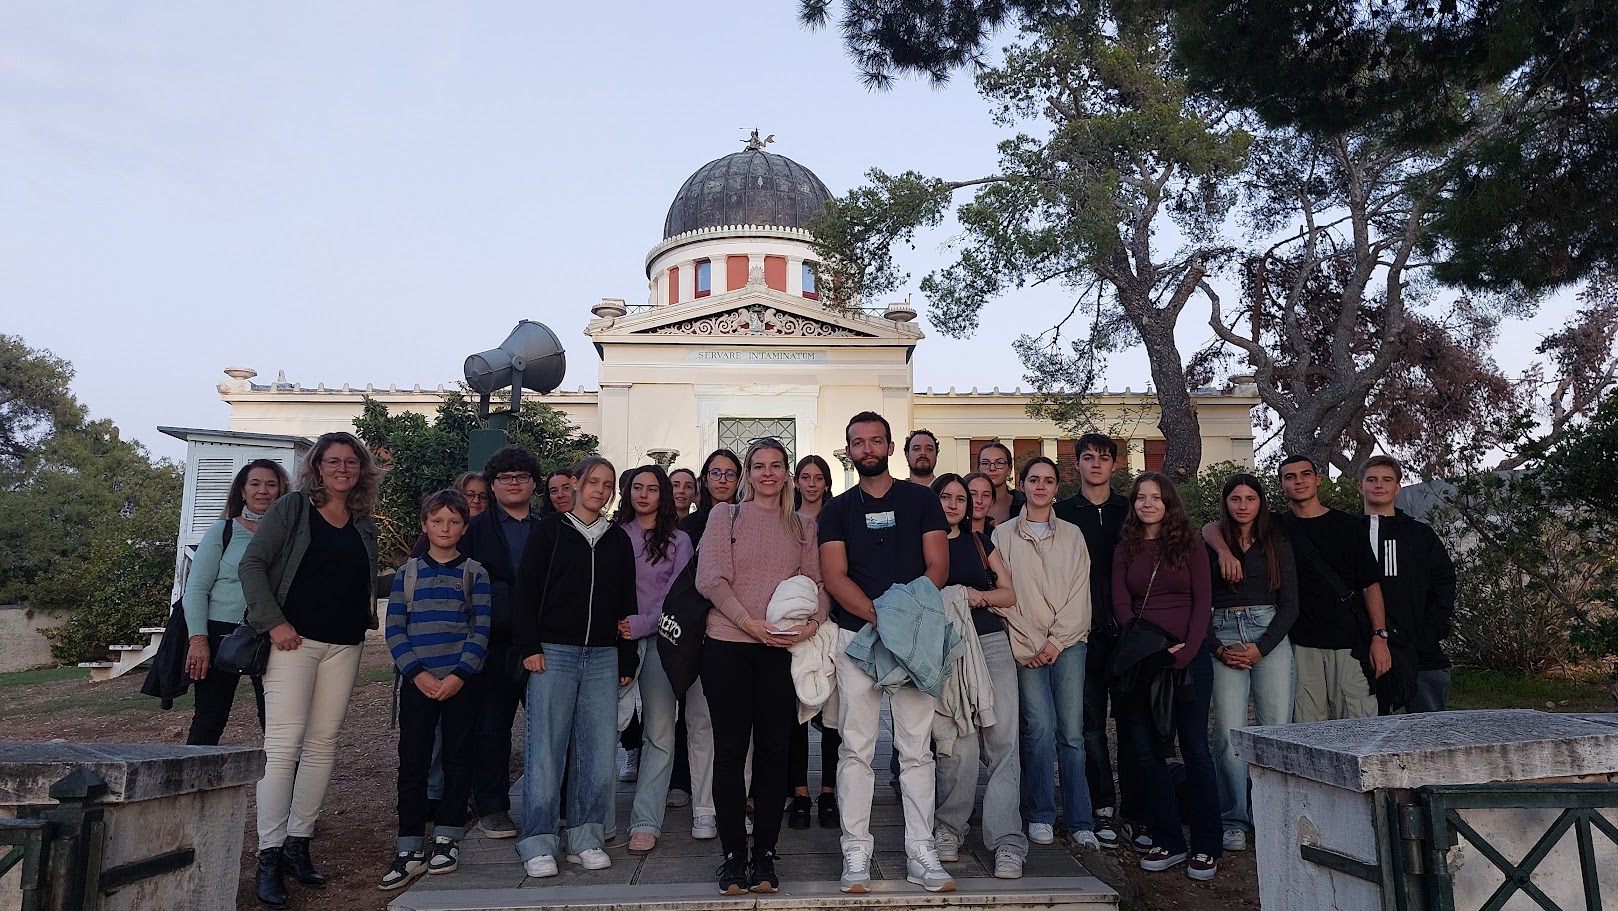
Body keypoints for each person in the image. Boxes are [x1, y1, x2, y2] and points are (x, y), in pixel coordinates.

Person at [239, 432, 382, 908]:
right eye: (333, 461)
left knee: (323, 745)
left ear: (361, 470)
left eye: (351, 462)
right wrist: (274, 623)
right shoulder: (293, 508)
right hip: (293, 642)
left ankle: (298, 846)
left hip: (344, 644)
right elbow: (252, 565)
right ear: (317, 466)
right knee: (283, 747)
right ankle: (268, 854)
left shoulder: (363, 522)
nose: (342, 469)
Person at [818, 411, 954, 894]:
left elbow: (937, 566)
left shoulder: (921, 500)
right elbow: (834, 576)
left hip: (914, 638)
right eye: (858, 442)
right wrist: (880, 617)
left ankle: (921, 850)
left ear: (891, 447)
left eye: (876, 440)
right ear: (849, 451)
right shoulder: (836, 510)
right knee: (855, 748)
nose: (868, 449)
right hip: (856, 638)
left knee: (917, 749)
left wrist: (899, 618)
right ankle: (855, 849)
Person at [697, 438, 827, 894]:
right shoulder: (725, 515)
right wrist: (748, 623)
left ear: (786, 473)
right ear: (748, 474)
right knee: (731, 753)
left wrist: (813, 624)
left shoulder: (803, 525)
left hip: (780, 650)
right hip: (728, 645)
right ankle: (734, 855)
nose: (767, 473)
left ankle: (766, 854)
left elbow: (817, 584)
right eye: (758, 466)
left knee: (775, 753)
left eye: (775, 465)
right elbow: (711, 578)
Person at [513, 456, 638, 878]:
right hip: (554, 653)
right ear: (576, 484)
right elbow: (526, 591)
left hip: (602, 655)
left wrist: (626, 655)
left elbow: (626, 602)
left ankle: (586, 837)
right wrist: (530, 645)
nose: (600, 490)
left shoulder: (617, 539)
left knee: (598, 752)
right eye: (594, 482)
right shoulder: (549, 531)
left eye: (608, 485)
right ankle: (538, 842)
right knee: (546, 750)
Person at [1208, 455, 1390, 722]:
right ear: (1281, 485)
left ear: (1318, 479)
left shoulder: (1348, 526)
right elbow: (1212, 527)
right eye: (1290, 477)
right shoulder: (1275, 526)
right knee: (1306, 729)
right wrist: (1224, 552)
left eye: (1305, 474)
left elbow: (1369, 585)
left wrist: (1379, 636)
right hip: (1301, 643)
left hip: (1348, 642)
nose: (1299, 481)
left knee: (1357, 724)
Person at [378, 490, 493, 890]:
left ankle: (447, 837)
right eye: (437, 521)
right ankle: (409, 846)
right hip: (418, 683)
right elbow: (395, 629)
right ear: (425, 525)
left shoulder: (475, 573)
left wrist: (458, 675)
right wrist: (418, 674)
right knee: (413, 763)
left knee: (458, 760)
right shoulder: (407, 574)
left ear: (464, 527)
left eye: (454, 522)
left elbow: (481, 628)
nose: (445, 528)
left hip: (460, 683)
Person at [1112, 472, 1220, 881]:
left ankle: (1207, 844)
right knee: (1146, 751)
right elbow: (1122, 603)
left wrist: (1186, 652)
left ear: (1168, 503)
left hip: (1189, 660)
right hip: (1144, 662)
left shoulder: (1191, 545)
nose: (1148, 504)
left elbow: (1202, 602)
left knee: (1194, 749)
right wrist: (1149, 650)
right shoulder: (1126, 548)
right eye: (1141, 497)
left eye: (1156, 497)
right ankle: (1168, 839)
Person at [992, 456, 1098, 850]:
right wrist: (1033, 642)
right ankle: (1040, 813)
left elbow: (1080, 592)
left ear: (1056, 488)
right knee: (1037, 729)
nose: (1040, 486)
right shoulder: (1002, 535)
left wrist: (1055, 640)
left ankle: (1080, 819)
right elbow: (1003, 596)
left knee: (1071, 733)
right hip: (1026, 646)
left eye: (1048, 480)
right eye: (1033, 480)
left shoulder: (1072, 535)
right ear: (1021, 484)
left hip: (1068, 644)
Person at [930, 473, 1026, 879]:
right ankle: (949, 828)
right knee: (958, 741)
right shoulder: (921, 545)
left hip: (990, 642)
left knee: (1003, 740)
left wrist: (977, 597)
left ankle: (1007, 841)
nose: (953, 504)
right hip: (946, 648)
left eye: (960, 498)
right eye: (946, 497)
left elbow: (1009, 593)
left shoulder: (979, 542)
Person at [1052, 434, 1138, 851]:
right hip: (1080, 632)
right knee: (1089, 727)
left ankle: (1135, 812)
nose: (1096, 464)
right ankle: (1102, 807)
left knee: (1132, 724)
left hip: (1127, 633)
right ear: (1078, 464)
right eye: (1088, 457)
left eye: (1104, 458)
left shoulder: (1131, 510)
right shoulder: (1062, 514)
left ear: (1114, 464)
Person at [1206, 474, 1297, 854]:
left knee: (1275, 728)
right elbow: (1198, 600)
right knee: (1228, 733)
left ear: (1261, 502)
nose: (1243, 505)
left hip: (1268, 631)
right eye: (1235, 499)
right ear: (1225, 503)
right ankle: (1233, 818)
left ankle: (1273, 812)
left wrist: (1262, 648)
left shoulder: (1276, 542)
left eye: (1250, 498)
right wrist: (1216, 648)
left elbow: (1290, 604)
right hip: (1224, 630)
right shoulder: (1211, 543)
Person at [457, 446, 544, 840]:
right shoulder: (474, 530)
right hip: (491, 642)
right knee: (491, 728)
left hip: (542, 642)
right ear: (492, 485)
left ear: (533, 483)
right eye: (505, 477)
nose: (513, 483)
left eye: (521, 476)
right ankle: (492, 807)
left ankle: (549, 802)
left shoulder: (549, 527)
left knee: (548, 728)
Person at [614, 465, 693, 855]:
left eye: (652, 488)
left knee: (659, 733)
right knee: (606, 730)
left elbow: (680, 596)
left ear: (663, 494)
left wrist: (643, 623)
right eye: (637, 487)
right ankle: (597, 819)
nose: (643, 494)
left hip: (661, 641)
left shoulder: (679, 541)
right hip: (616, 644)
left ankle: (646, 821)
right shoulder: (613, 535)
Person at [182, 459, 287, 745]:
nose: (263, 491)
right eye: (255, 484)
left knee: (277, 721)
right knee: (209, 718)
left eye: (271, 484)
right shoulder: (223, 531)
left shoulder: (289, 536)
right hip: (221, 632)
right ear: (242, 491)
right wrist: (198, 640)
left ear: (281, 491)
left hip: (271, 630)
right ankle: (195, 774)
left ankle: (284, 776)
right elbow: (196, 589)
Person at [671, 448, 743, 839]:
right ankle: (704, 808)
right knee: (700, 723)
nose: (722, 480)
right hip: (697, 635)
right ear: (705, 479)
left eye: (730, 473)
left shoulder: (749, 518)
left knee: (740, 727)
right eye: (716, 473)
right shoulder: (686, 528)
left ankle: (735, 804)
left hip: (739, 633)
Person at [1358, 456, 1456, 712]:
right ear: (1360, 486)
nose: (1379, 485)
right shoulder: (1347, 532)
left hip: (1419, 646)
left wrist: (1431, 631)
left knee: (1427, 725)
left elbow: (1444, 583)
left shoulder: (1419, 535)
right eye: (1372, 480)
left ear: (1397, 487)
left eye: (1387, 480)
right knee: (1367, 726)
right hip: (1361, 648)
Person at [788, 454, 840, 829]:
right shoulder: (786, 520)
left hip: (834, 619)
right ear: (797, 482)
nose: (810, 483)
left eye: (817, 477)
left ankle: (829, 792)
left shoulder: (836, 518)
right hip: (795, 620)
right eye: (804, 477)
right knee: (797, 712)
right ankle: (800, 793)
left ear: (826, 482)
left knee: (834, 715)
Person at [976, 441, 1025, 526]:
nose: (992, 468)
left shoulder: (1025, 504)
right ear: (978, 468)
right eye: (985, 463)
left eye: (999, 463)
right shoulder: (967, 505)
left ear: (1010, 469)